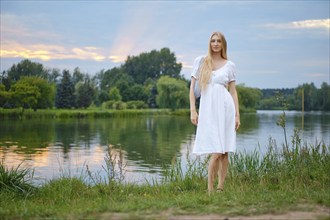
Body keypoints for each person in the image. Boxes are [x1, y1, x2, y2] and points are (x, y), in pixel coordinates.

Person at [189, 31, 240, 194]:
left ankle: (220, 187)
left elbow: (233, 91)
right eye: (213, 41)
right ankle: (210, 189)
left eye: (219, 41)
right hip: (208, 109)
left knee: (224, 150)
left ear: (223, 44)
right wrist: (193, 110)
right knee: (216, 150)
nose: (216, 43)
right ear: (209, 43)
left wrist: (237, 114)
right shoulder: (201, 61)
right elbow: (192, 88)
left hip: (226, 108)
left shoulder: (230, 65)